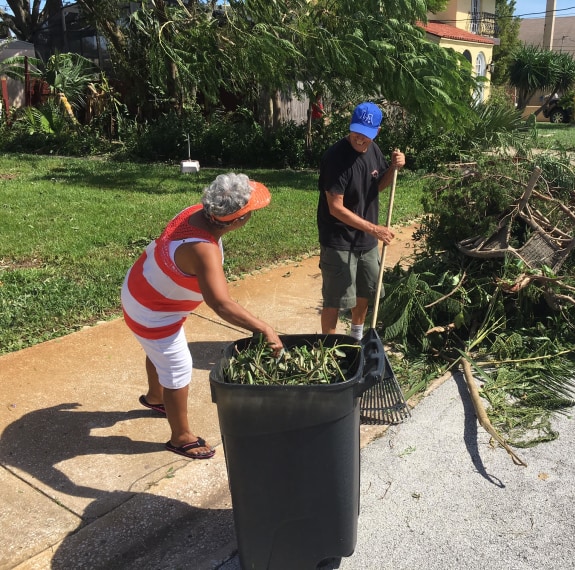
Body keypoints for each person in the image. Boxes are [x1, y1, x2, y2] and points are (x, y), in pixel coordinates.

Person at [121, 173, 283, 459]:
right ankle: (181, 437)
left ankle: (156, 398)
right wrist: (264, 328)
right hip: (153, 311)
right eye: (251, 214)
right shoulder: (202, 249)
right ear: (236, 221)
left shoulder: (197, 212)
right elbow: (221, 304)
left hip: (142, 287)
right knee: (178, 367)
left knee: (159, 352)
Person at [316, 101, 405, 340]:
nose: (359, 139)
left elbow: (377, 187)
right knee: (335, 299)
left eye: (366, 134)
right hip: (339, 241)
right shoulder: (336, 158)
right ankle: (329, 348)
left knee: (366, 291)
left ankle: (356, 338)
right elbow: (335, 208)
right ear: (350, 126)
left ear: (377, 132)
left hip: (366, 240)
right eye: (356, 132)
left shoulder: (374, 150)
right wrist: (374, 229)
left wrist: (392, 169)